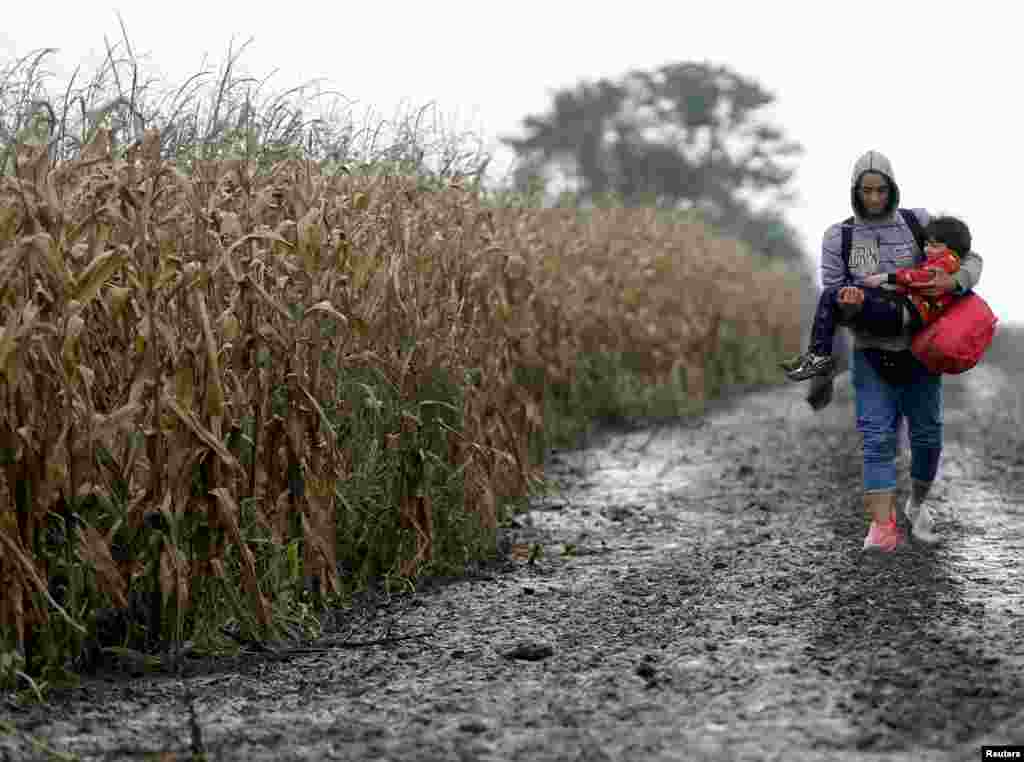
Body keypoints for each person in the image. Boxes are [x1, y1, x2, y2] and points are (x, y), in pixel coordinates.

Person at [818, 151, 982, 551]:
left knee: (928, 438)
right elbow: (832, 291)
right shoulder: (838, 236)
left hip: (922, 354)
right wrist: (849, 302)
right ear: (854, 192)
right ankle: (882, 527)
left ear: (893, 188)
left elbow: (971, 258)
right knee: (876, 438)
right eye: (866, 190)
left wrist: (953, 281)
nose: (874, 198)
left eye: (881, 189)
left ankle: (917, 504)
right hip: (870, 352)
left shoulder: (918, 222)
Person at [780, 215, 972, 381]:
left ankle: (819, 355)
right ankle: (817, 354)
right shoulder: (937, 260)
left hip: (906, 313)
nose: (928, 250)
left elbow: (920, 278)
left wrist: (887, 277)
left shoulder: (947, 263)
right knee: (835, 294)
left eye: (935, 246)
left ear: (953, 250)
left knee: (833, 294)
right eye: (927, 244)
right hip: (902, 307)